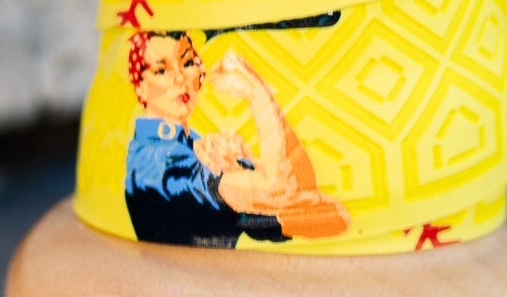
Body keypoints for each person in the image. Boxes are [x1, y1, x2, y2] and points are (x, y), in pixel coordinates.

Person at [123, 30, 350, 248]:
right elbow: (281, 190)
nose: (180, 78)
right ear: (140, 87)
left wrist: (245, 165)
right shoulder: (158, 162)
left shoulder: (198, 150)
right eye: (162, 71)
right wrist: (257, 94)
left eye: (187, 63)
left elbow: (331, 215)